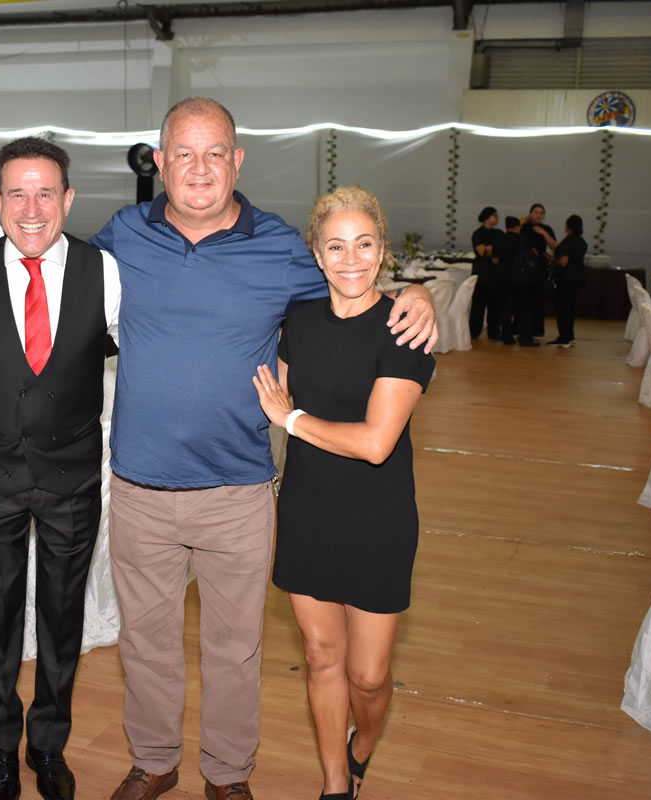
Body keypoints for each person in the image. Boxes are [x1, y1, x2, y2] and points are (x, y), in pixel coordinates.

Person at [0, 97, 437, 800]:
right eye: (183, 153)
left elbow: (350, 284)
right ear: (159, 161)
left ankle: (229, 774)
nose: (199, 169)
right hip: (141, 488)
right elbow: (45, 246)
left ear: (237, 161)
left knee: (235, 648)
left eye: (214, 153)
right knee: (146, 644)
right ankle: (154, 761)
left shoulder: (279, 248)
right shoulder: (123, 236)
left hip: (238, 488)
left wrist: (413, 293)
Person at [0, 137, 121, 800]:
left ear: (68, 199)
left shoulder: (106, 271)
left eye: (46, 192)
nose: (32, 208)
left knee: (63, 615)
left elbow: (148, 345)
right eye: (17, 193)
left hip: (73, 472)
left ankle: (48, 744)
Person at [253, 186, 433, 800]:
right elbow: (270, 393)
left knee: (369, 675)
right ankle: (336, 781)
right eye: (335, 246)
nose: (350, 258)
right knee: (321, 656)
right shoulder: (298, 323)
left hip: (378, 517)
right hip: (307, 509)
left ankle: (363, 745)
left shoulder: (404, 328)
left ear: (382, 251)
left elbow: (376, 442)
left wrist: (292, 420)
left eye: (363, 244)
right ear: (316, 253)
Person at [548, 214, 587, 347]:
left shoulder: (567, 241)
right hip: (578, 277)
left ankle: (564, 337)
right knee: (570, 308)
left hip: (566, 279)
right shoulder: (581, 242)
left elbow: (564, 262)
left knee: (562, 308)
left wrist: (554, 261)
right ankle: (570, 335)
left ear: (568, 226)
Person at [511, 214, 548, 347]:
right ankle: (525, 337)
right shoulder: (525, 241)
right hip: (528, 279)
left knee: (519, 308)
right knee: (527, 308)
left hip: (517, 278)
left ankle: (517, 334)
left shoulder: (513, 239)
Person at [470, 206, 501, 340]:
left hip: (495, 273)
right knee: (478, 303)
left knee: (495, 304)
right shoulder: (478, 233)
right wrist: (494, 248)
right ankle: (474, 331)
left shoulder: (498, 233)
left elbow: (502, 249)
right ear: (487, 217)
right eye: (494, 215)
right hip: (482, 271)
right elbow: (482, 251)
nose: (497, 218)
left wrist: (491, 249)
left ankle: (494, 332)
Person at [495, 216, 521, 346]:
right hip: (518, 277)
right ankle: (519, 332)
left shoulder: (500, 239)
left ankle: (506, 335)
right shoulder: (521, 240)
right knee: (519, 306)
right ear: (517, 227)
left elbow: (495, 259)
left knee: (504, 307)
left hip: (502, 276)